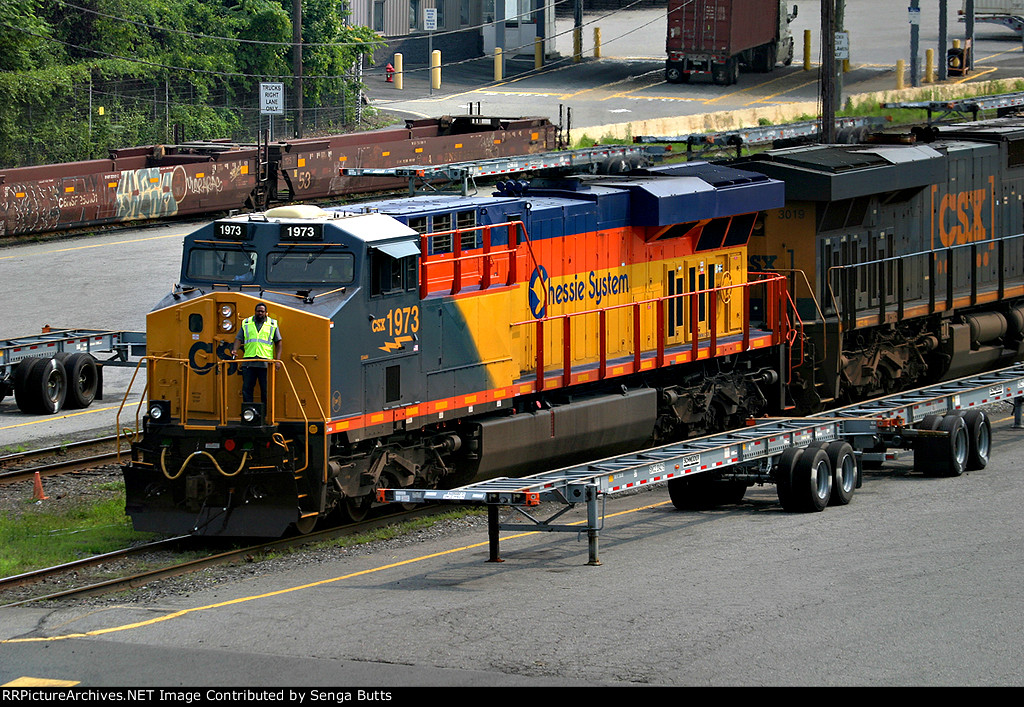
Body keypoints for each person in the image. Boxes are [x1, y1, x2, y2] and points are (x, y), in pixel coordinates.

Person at [231, 303, 282, 404]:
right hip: (249, 362)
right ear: (255, 312)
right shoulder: (246, 323)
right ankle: (249, 414)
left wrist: (278, 360)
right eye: (258, 311)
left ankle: (265, 415)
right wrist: (235, 349)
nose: (260, 313)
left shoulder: (272, 324)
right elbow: (238, 339)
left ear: (266, 313)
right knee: (247, 389)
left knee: (266, 390)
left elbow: (279, 342)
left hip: (266, 363)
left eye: (262, 311)